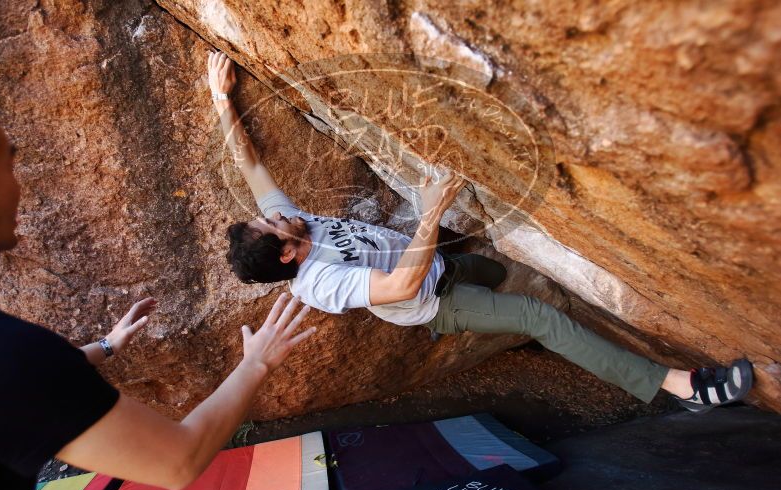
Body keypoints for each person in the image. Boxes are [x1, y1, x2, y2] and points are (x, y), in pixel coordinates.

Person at [207, 50, 753, 414]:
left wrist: (221, 98)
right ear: (286, 256)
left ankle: (478, 298)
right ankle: (677, 386)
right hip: (429, 301)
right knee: (537, 315)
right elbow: (397, 288)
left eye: (272, 214)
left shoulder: (291, 229)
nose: (279, 212)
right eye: (273, 221)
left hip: (448, 266)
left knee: (492, 271)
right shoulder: (320, 283)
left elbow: (250, 165)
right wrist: (429, 212)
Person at [0, 93, 316, 490]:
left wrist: (101, 348)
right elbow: (178, 461)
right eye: (9, 162)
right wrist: (257, 361)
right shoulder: (4, 354)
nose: (17, 184)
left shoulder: (5, 359)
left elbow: (10, 393)